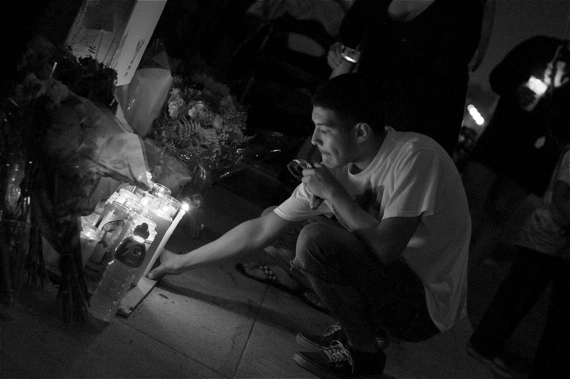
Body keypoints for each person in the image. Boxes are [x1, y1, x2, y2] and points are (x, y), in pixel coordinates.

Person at [148, 73, 471, 378]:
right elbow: (261, 232)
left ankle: (364, 354)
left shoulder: (415, 157)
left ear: (360, 131)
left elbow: (387, 248)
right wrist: (180, 263)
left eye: (324, 130)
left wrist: (333, 193)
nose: (314, 139)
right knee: (276, 222)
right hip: (386, 277)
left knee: (315, 240)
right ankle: (360, 325)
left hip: (421, 306)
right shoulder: (339, 166)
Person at [325, 0, 490, 156]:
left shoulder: (466, 8)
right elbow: (350, 33)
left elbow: (447, 73)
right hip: (365, 109)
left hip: (415, 125)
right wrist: (339, 50)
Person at [467, 135, 570, 379]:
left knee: (525, 299)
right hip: (545, 235)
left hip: (555, 239)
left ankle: (487, 344)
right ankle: (484, 345)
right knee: (517, 296)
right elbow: (560, 195)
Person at [463, 35, 570, 268]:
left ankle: (462, 277)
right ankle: (444, 260)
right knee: (469, 195)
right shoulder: (540, 46)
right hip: (502, 134)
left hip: (537, 154)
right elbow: (497, 77)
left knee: (498, 214)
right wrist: (517, 87)